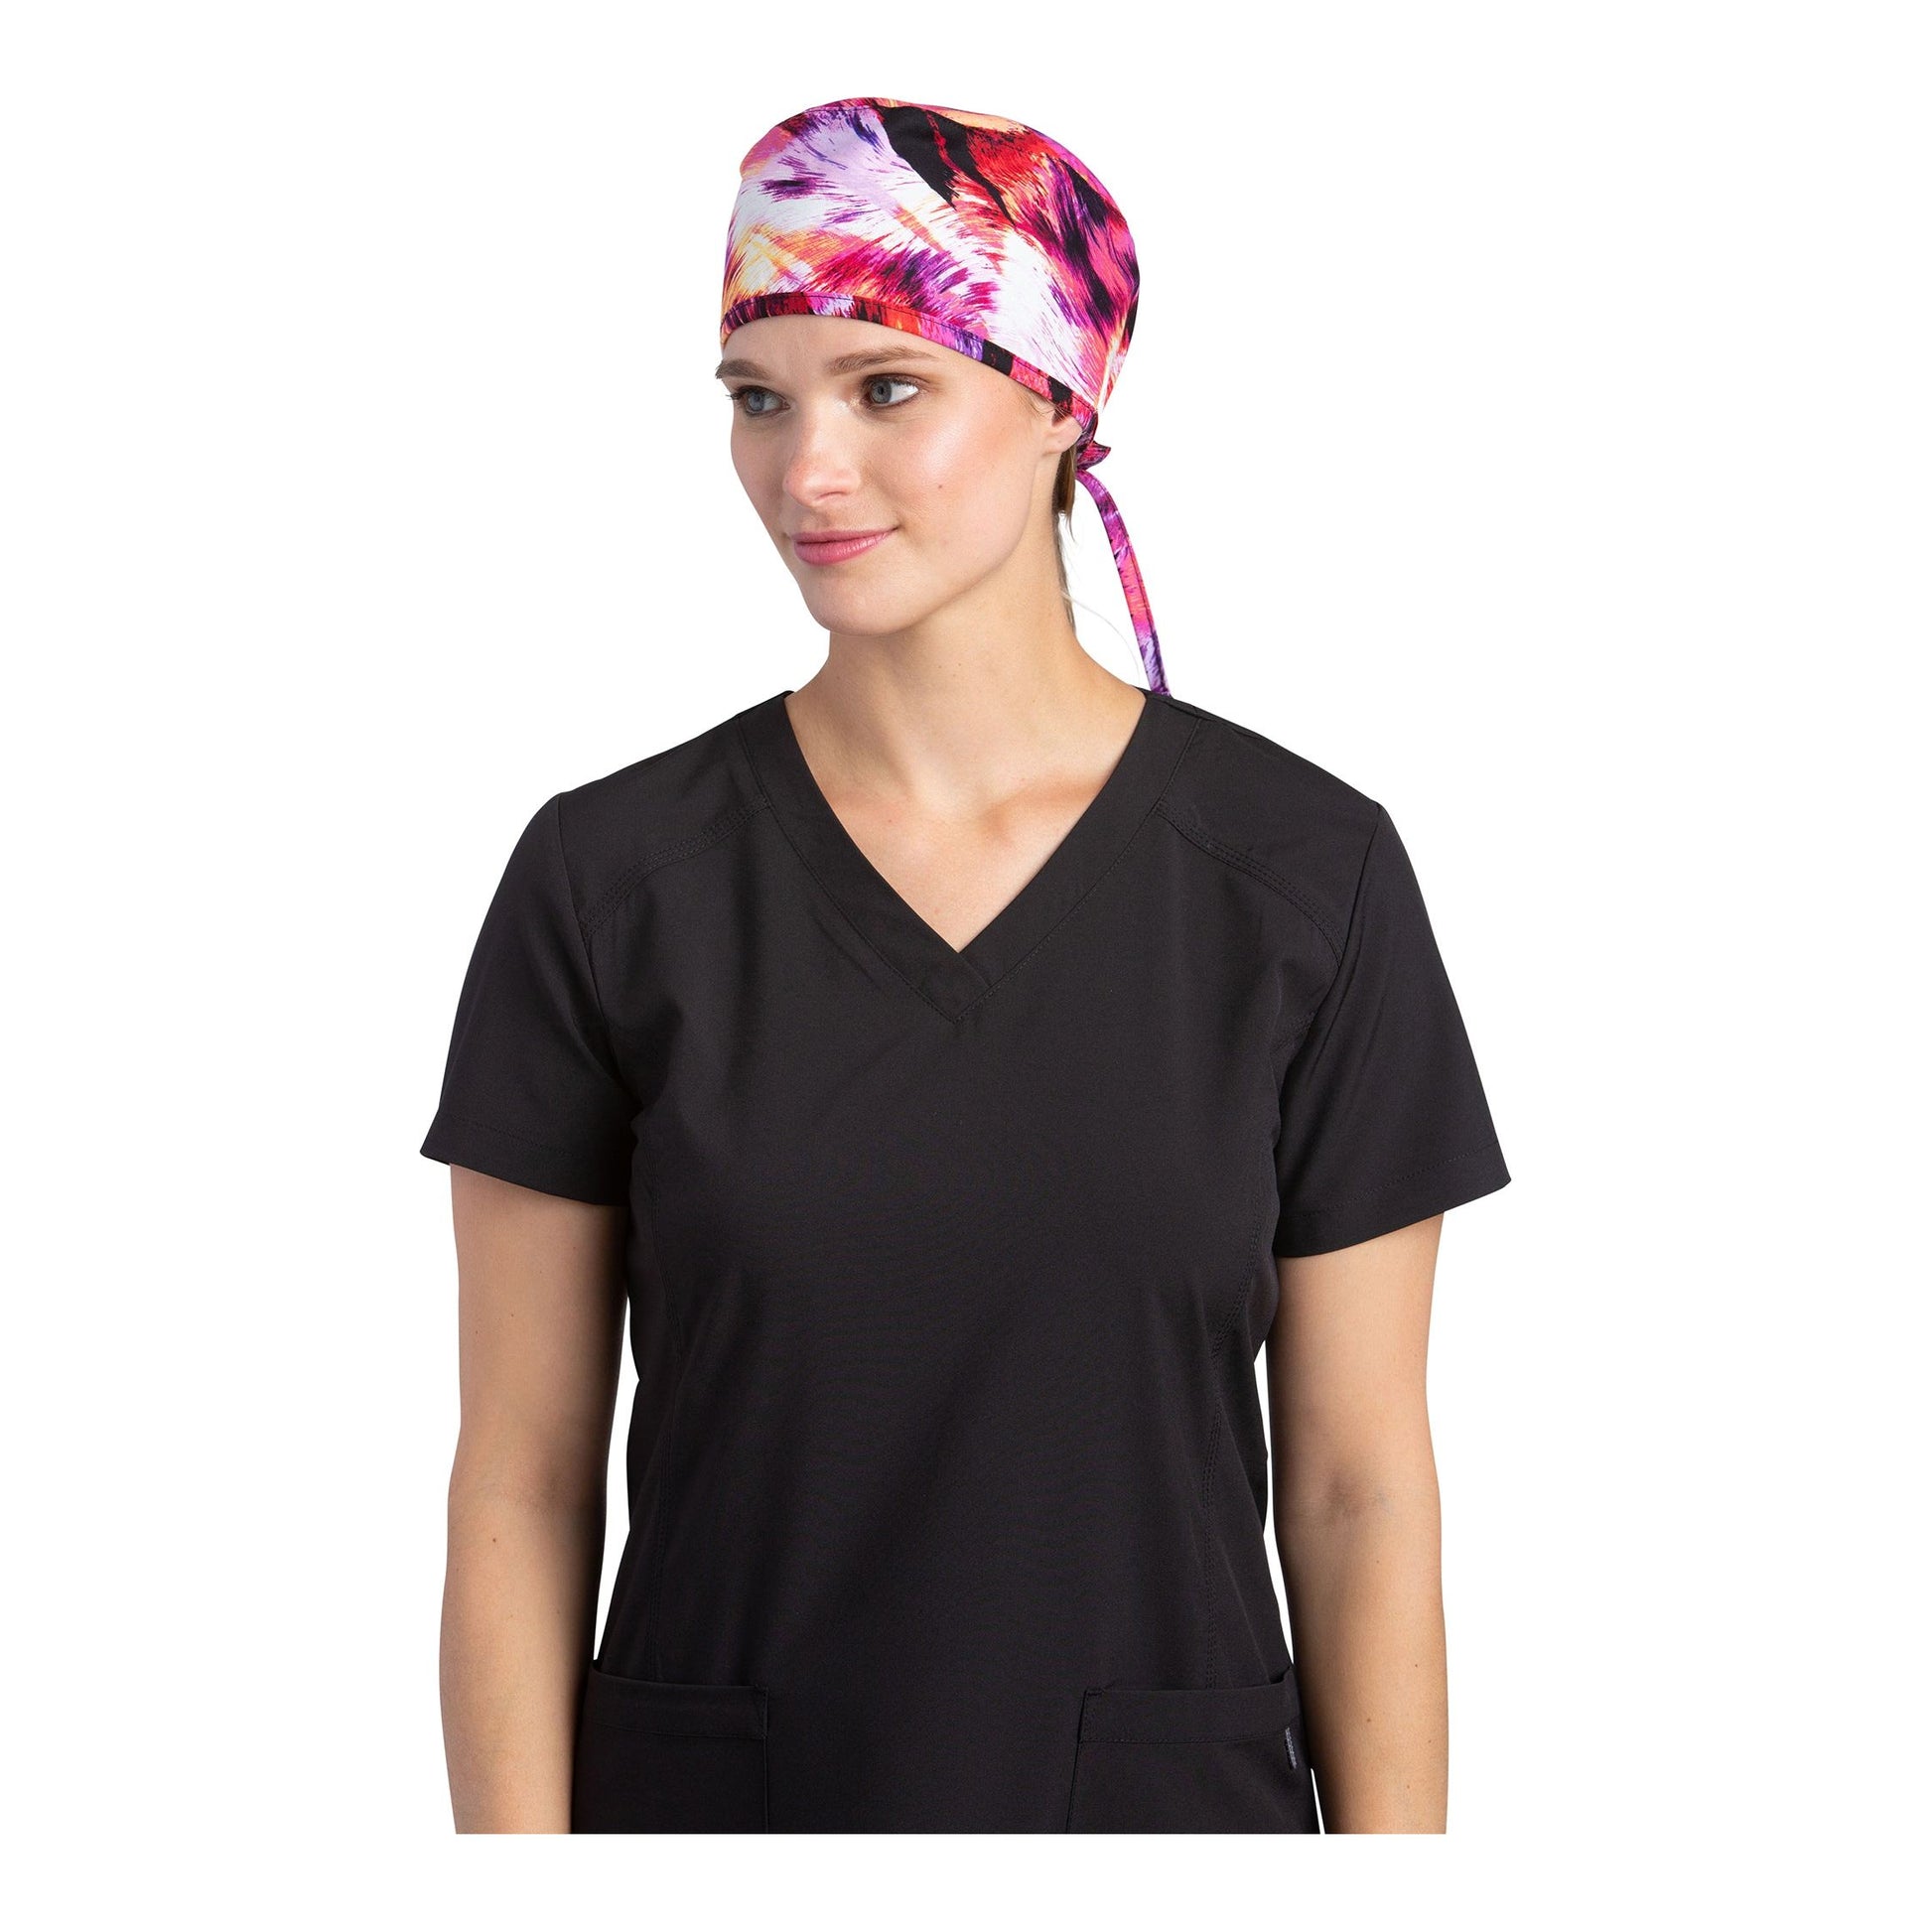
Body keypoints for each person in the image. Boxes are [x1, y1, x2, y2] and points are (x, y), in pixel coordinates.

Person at [421, 95, 1510, 1834]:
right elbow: (523, 1478)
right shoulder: (612, 881)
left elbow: (1358, 1484)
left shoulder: (1300, 877)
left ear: (1062, 401)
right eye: (757, 399)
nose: (806, 471)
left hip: (1156, 1835)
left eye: (886, 388)